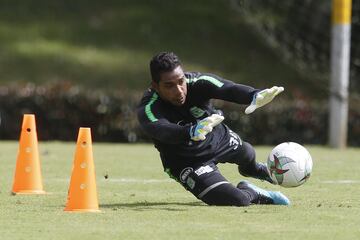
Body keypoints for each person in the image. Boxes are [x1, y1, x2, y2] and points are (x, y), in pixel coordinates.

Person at [137, 52, 290, 207]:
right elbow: (160, 129)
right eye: (169, 85)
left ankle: (253, 169)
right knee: (238, 200)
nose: (179, 91)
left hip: (217, 137)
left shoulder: (197, 82)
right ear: (155, 86)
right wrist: (189, 132)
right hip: (186, 162)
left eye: (181, 81)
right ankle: (250, 191)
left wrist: (253, 95)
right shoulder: (149, 107)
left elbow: (227, 88)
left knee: (248, 153)